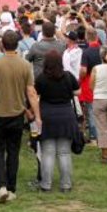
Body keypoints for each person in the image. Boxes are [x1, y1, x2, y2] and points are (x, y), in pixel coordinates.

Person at [0, 30, 40, 204]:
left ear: (2, 45)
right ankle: (11, 188)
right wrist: (35, 113)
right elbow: (30, 91)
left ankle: (1, 186)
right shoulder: (25, 65)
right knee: (13, 151)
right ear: (17, 45)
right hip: (16, 114)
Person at [33, 49, 80, 192]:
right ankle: (66, 185)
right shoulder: (68, 76)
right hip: (66, 115)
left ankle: (46, 184)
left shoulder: (41, 78)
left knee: (48, 152)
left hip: (47, 115)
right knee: (64, 152)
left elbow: (35, 95)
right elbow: (78, 92)